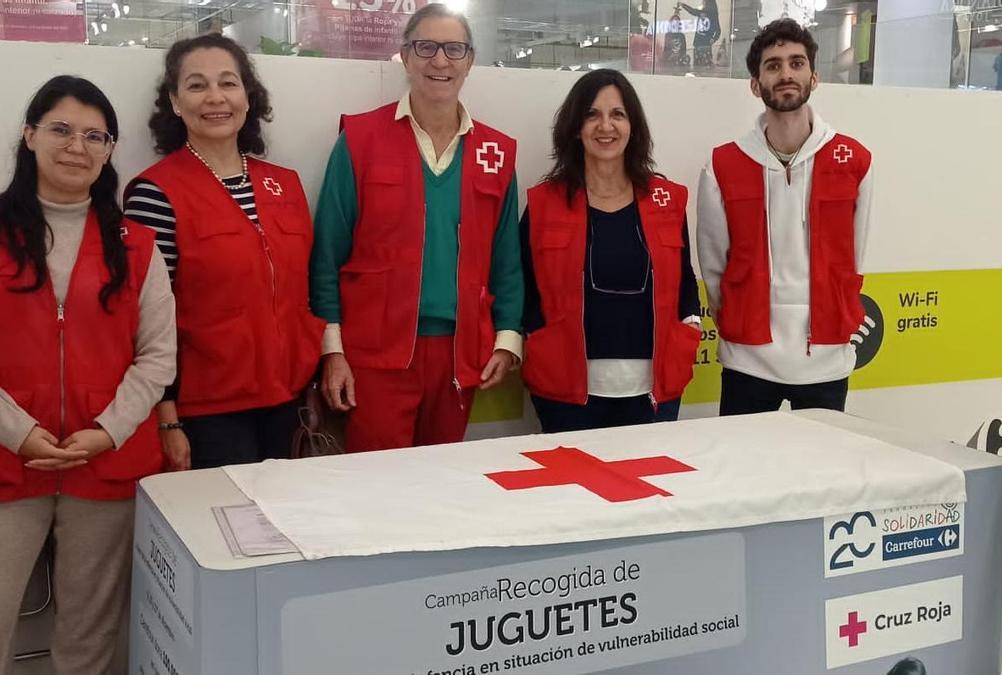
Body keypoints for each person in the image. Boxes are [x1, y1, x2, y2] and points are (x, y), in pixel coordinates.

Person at [0, 76, 175, 674]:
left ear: (108, 150)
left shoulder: (137, 245)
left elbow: (158, 357)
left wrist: (107, 430)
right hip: (6, 460)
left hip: (106, 463)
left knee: (89, 640)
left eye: (95, 135)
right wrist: (16, 430)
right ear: (29, 136)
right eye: (61, 129)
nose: (77, 146)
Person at [311, 2, 523, 452]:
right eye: (426, 47)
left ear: (470, 60)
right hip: (373, 356)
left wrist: (507, 338)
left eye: (454, 49)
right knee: (377, 490)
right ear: (405, 57)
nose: (440, 61)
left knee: (438, 490)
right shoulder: (361, 140)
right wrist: (332, 350)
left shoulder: (496, 153)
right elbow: (327, 254)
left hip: (460, 355)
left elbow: (506, 259)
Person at [124, 34, 324, 470]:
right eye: (196, 86)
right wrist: (166, 417)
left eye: (228, 83)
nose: (215, 97)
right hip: (206, 412)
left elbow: (302, 293)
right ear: (175, 102)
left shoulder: (285, 184)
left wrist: (315, 377)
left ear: (247, 97)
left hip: (288, 400)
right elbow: (146, 319)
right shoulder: (155, 193)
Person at [697, 18, 873, 416]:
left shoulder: (854, 160)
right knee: (745, 472)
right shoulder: (723, 163)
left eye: (796, 63)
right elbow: (713, 265)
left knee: (823, 474)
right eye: (773, 65)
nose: (786, 73)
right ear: (756, 84)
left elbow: (853, 256)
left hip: (826, 357)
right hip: (748, 357)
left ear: (815, 77)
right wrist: (740, 320)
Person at [521, 69, 701, 433]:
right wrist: (537, 337)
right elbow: (522, 285)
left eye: (617, 114)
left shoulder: (668, 200)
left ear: (633, 125)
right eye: (592, 114)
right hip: (565, 391)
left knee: (650, 487)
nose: (606, 126)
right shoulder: (543, 203)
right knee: (571, 488)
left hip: (655, 390)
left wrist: (691, 327)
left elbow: (684, 280)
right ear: (575, 127)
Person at [678, 0, 721, 68]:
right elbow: (692, 11)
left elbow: (718, 30)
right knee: (700, 66)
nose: (702, 3)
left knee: (702, 66)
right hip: (699, 43)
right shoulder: (703, 12)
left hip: (704, 44)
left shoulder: (712, 14)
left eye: (704, 2)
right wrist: (683, 5)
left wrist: (713, 39)